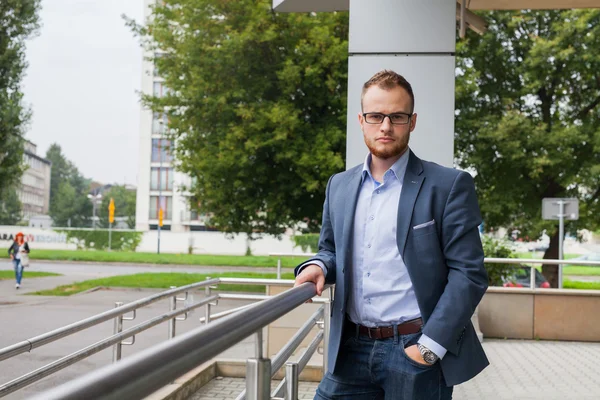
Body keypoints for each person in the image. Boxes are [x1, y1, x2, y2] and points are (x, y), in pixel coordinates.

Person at [294, 70, 489, 399]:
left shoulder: (448, 185)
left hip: (414, 350)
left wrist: (429, 348)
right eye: (375, 116)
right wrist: (319, 266)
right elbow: (330, 249)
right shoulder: (339, 186)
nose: (385, 126)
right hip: (351, 349)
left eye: (396, 116)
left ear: (411, 122)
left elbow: (468, 273)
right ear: (361, 120)